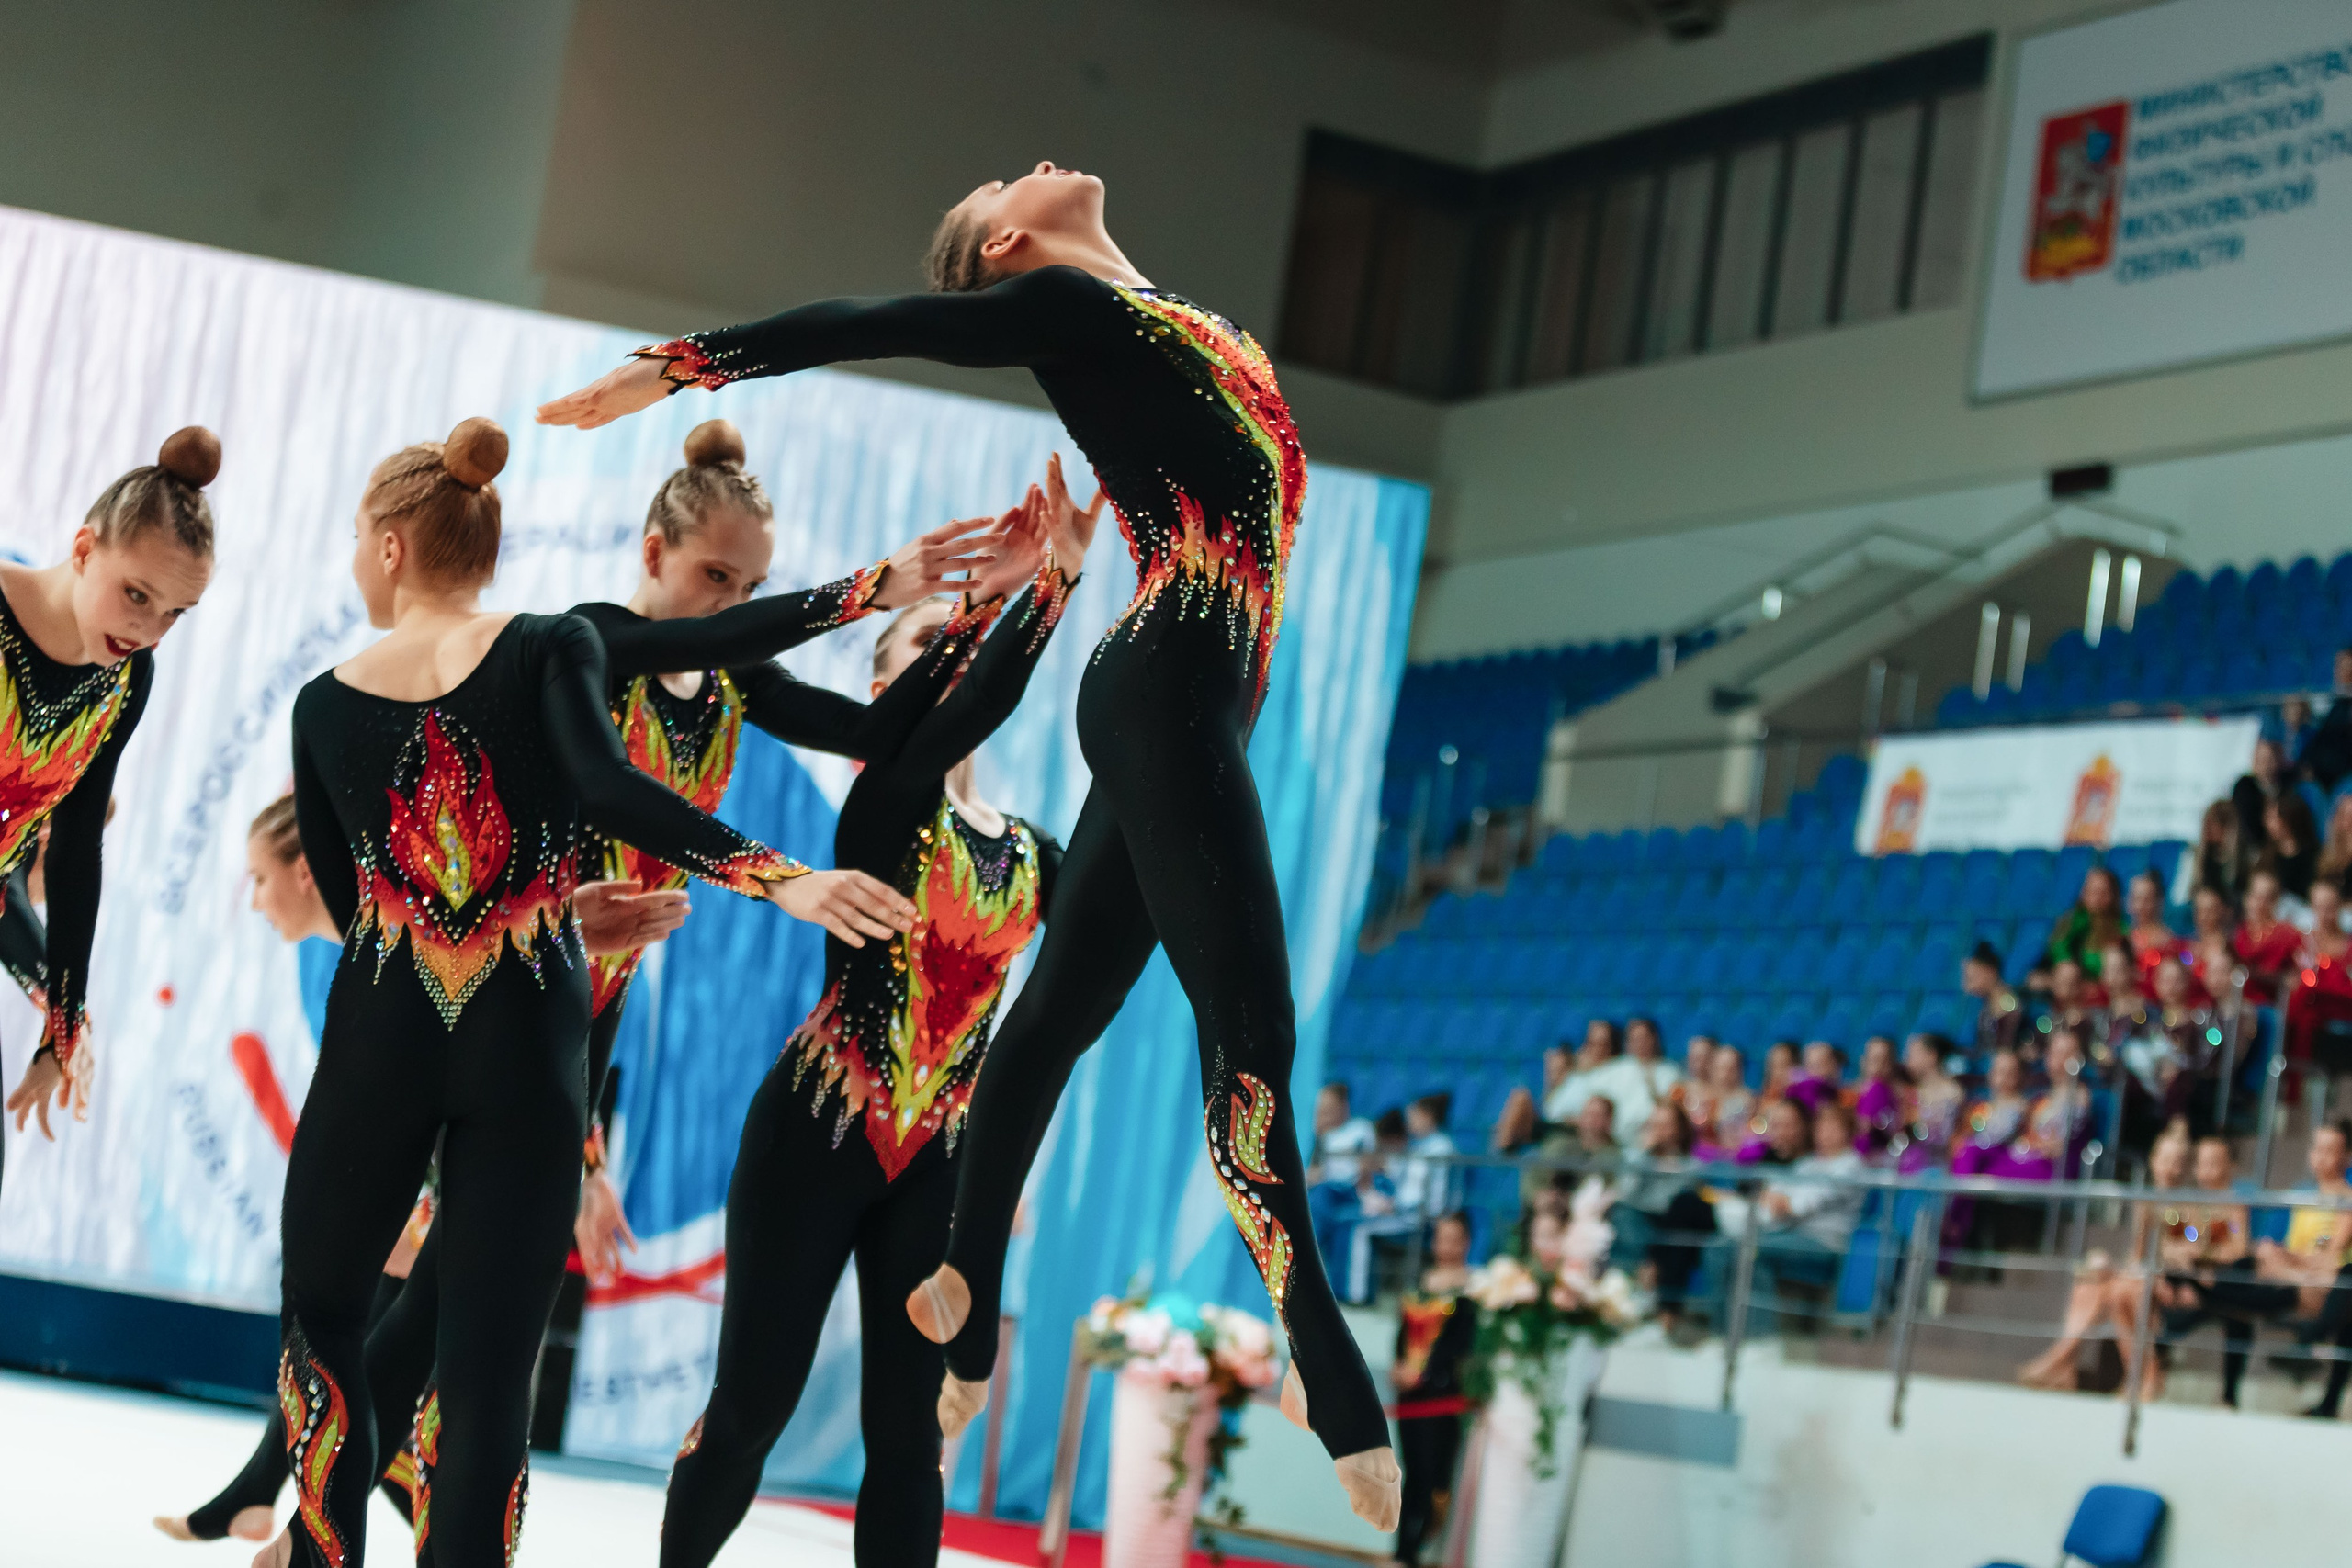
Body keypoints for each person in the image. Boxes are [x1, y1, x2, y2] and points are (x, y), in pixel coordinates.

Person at [538, 158, 1401, 1523]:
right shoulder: (1062, 301)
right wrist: (683, 366)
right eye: (1013, 184)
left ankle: (971, 1301)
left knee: (1060, 1005)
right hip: (1169, 679)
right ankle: (1324, 1359)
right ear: (1009, 238)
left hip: (1182, 688)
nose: (1039, 164)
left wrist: (1056, 568)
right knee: (1255, 1033)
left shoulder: (1184, 324)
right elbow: (863, 322)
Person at [266, 419, 919, 1568]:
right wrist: (780, 879)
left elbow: (355, 900)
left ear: (386, 549)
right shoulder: (550, 645)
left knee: (325, 1324)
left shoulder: (322, 705)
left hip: (383, 1037)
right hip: (530, 1032)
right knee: (488, 1377)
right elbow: (602, 787)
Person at [660, 476, 1083, 1568]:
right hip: (816, 1132)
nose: (955, 662)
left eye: (961, 645)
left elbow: (1083, 987)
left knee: (906, 1441)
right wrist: (1022, 596)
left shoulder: (1037, 853)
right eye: (929, 650)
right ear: (883, 688)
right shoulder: (883, 801)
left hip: (935, 1159)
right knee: (753, 1405)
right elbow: (956, 708)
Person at [156, 795, 684, 1546]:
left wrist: (571, 1172)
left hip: (494, 1139)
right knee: (375, 1335)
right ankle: (291, 1507)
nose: (254, 901)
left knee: (393, 1340)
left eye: (258, 880)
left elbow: (475, 1060)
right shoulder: (379, 934)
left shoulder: (400, 932)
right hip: (487, 1130)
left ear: (306, 872)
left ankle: (293, 1517)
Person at [561, 416, 1014, 1251]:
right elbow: (617, 786)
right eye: (716, 575)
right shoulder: (587, 643)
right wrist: (866, 590)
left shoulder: (731, 674)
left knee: (485, 1307)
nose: (732, 606)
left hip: (590, 994)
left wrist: (979, 616)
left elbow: (876, 736)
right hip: (507, 972)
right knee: (436, 1288)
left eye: (750, 587)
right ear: (653, 553)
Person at [3, 429, 220, 1163]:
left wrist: (62, 1022)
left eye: (173, 614)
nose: (148, 630)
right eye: (137, 594)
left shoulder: (127, 679)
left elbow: (73, 850)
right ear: (84, 548)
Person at [2017, 1128, 2194, 1393]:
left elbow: (2185, 1251)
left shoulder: (2189, 1205)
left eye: (2178, 1162)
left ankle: (2141, 1374)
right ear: (2154, 1160)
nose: (2171, 1168)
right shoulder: (2145, 1202)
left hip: (2170, 1282)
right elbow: (2138, 1255)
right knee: (2090, 1284)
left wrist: (2149, 1264)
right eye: (2166, 1159)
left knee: (2122, 1291)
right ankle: (2066, 1365)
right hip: (2144, 1276)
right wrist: (2113, 1266)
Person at [2250, 1119, 2352, 1418]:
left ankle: (2309, 1342)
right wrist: (2295, 1266)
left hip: (2334, 1285)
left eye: (2329, 1150)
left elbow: (2331, 1258)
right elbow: (2275, 1253)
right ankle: (2312, 1353)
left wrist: (2296, 1261)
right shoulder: (2298, 1198)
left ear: (2345, 1157)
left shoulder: (2347, 1202)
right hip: (2307, 1281)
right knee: (2253, 1264)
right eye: (2316, 1148)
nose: (2320, 1157)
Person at [1391, 1212, 1476, 1567]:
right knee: (1408, 1469)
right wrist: (1399, 1365)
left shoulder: (1471, 1289)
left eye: (1453, 1239)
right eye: (1440, 1238)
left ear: (1466, 1243)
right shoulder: (1421, 1282)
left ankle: (1421, 1548)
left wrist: (1426, 1375)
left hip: (1440, 1395)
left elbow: (1459, 1345)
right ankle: (1402, 1551)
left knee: (1432, 1471)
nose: (1444, 1246)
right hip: (1409, 1392)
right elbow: (1403, 1333)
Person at [1747, 1100, 1864, 1332]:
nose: (1825, 1133)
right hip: (1790, 1232)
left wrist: (1782, 1202)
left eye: (1833, 1128)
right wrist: (1779, 1201)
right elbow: (1774, 1195)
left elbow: (1801, 1205)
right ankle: (1724, 1330)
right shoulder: (1810, 1164)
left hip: (1824, 1244)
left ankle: (1761, 1336)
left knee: (1753, 1250)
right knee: (1725, 1246)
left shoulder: (1851, 1165)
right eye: (1821, 1127)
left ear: (1847, 1132)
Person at [1608, 1102, 1713, 1325]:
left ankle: (1650, 1281)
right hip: (1637, 1216)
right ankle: (1636, 1287)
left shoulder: (1691, 1165)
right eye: (1655, 1124)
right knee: (1621, 1214)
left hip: (1669, 1223)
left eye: (1666, 1125)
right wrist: (1645, 1154)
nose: (1660, 1130)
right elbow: (1624, 1193)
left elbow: (1681, 1204)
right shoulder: (1636, 1156)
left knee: (1675, 1233)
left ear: (1679, 1129)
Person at [1895, 1034, 1964, 1174]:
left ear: (1931, 1056)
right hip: (1911, 1163)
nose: (1907, 1060)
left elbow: (1949, 1134)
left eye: (1913, 1054)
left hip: (1938, 1166)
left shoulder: (1952, 1092)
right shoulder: (1911, 1092)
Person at [2234, 868, 2301, 1007]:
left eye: (2267, 899)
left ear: (2275, 901)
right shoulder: (2239, 933)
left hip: (2270, 1006)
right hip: (2238, 1004)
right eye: (2256, 896)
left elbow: (2295, 977)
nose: (2260, 904)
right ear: (2247, 897)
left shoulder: (2287, 935)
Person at [2048, 865, 2125, 977]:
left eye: (2103, 893)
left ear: (2114, 896)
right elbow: (2059, 951)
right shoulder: (2073, 923)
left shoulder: (2121, 929)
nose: (2097, 899)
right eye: (2093, 892)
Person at [1543, 1018, 1622, 1124]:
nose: (1595, 1049)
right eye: (1591, 1042)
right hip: (1554, 1127)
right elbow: (1550, 1111)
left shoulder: (1618, 1072)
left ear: (1612, 1048)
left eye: (1602, 1044)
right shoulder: (1574, 1074)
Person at [2298, 647, 2352, 791]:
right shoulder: (2336, 707)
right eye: (2339, 667)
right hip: (2323, 775)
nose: (2343, 674)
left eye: (2349, 668)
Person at [2188, 798, 2254, 906]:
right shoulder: (2199, 855)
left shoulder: (2243, 858)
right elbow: (2192, 890)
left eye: (2213, 825)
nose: (2208, 830)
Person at [1851, 1035, 1905, 1161]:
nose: (1879, 1066)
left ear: (1893, 1064)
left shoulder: (1902, 1096)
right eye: (1874, 1060)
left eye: (1885, 1061)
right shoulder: (1850, 1094)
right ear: (1863, 1061)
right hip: (1858, 1159)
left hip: (1885, 1159)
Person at [2124, 869, 2184, 984]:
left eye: (2147, 899)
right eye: (2137, 899)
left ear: (2159, 901)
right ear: (2128, 902)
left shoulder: (2171, 944)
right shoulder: (2123, 940)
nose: (2141, 906)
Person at [2262, 792, 2321, 902]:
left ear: (2289, 819)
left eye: (2273, 818)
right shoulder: (2268, 856)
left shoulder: (2314, 856)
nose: (2267, 823)